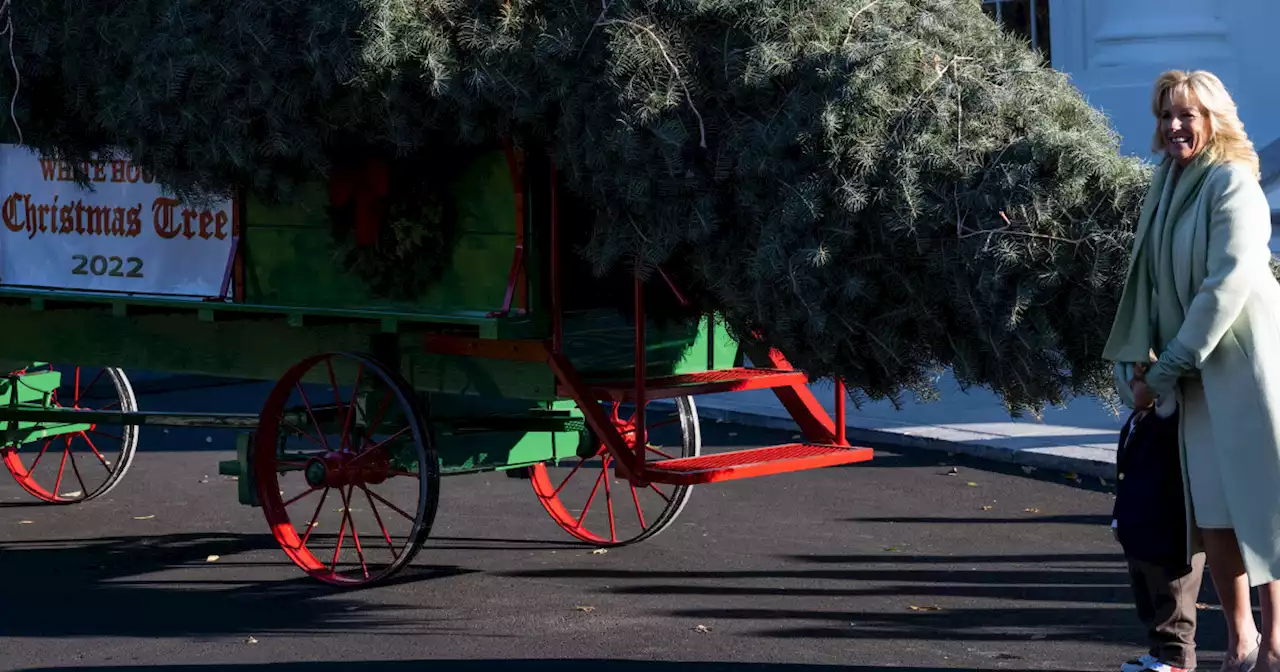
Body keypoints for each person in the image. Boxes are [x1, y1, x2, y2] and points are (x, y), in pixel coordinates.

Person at [1104, 68, 1280, 672]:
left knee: (1262, 507)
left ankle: (1277, 642)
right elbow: (1150, 282)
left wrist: (1166, 367)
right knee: (1213, 516)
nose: (1174, 126)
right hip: (1191, 375)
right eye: (1164, 116)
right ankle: (1240, 642)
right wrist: (1143, 360)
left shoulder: (1233, 183)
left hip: (1243, 368)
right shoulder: (1168, 181)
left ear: (1214, 120)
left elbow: (1223, 287)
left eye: (1187, 115)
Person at [1113, 365, 1205, 672]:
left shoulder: (1168, 421)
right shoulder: (1135, 422)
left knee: (1173, 599)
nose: (1131, 385)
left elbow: (1170, 400)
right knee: (1147, 598)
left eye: (1139, 382)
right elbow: (1124, 474)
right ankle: (1158, 651)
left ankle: (1178, 657)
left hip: (1167, 530)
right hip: (1138, 527)